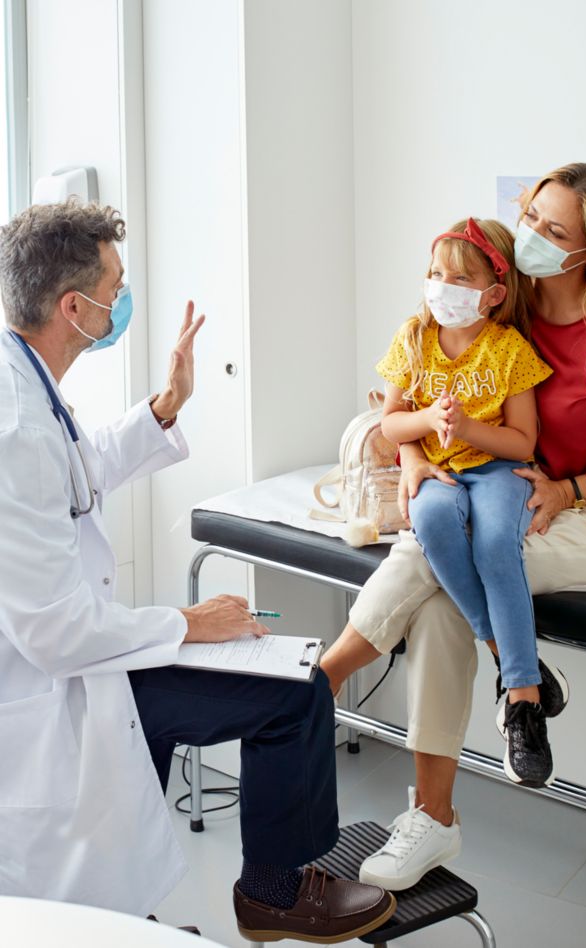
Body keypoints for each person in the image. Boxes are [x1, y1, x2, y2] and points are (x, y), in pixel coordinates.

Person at [0, 201, 396, 943]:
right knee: (295, 692)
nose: (121, 301)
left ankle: (129, 914)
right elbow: (57, 635)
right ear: (73, 306)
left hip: (80, 663)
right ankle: (275, 894)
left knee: (107, 856)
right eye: (116, 287)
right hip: (53, 685)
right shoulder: (15, 427)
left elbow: (80, 472)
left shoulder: (26, 385)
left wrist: (165, 406)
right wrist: (190, 622)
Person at [321, 162, 586, 892]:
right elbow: (417, 389)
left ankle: (336, 686)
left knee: (441, 563)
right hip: (511, 493)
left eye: (552, 231)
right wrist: (408, 454)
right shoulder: (503, 305)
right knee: (440, 571)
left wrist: (574, 487)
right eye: (530, 216)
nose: (529, 235)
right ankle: (513, 697)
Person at [376, 215, 566, 799]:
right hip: (438, 471)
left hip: (498, 470)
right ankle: (514, 662)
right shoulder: (413, 338)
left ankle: (524, 709)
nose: (442, 287)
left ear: (493, 294)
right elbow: (389, 422)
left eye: (460, 278)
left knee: (492, 546)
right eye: (436, 273)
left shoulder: (509, 350)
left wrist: (469, 429)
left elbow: (522, 442)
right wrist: (426, 429)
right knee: (431, 520)